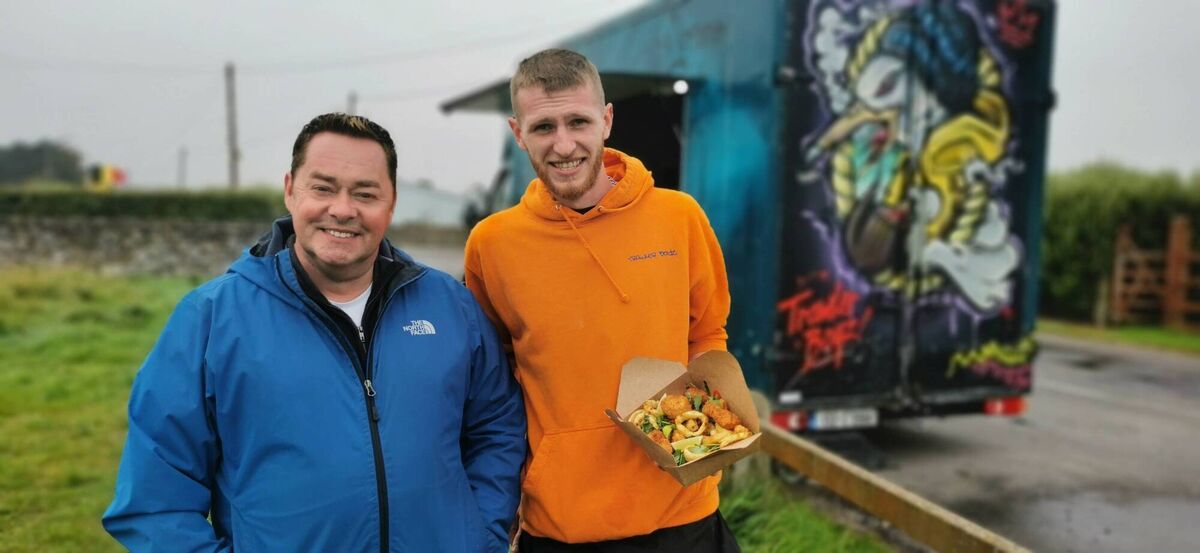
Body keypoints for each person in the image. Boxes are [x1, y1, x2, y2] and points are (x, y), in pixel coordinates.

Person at [102, 113, 526, 552]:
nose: (343, 209)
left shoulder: (451, 307)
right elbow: (156, 501)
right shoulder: (211, 320)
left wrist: (482, 537)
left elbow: (497, 427)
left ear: (392, 202)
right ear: (290, 190)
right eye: (323, 188)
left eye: (365, 193)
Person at [464, 49, 740, 551]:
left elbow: (708, 331)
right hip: (560, 525)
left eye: (578, 121)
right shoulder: (492, 244)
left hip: (683, 515)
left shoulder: (678, 216)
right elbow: (492, 379)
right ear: (517, 132)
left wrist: (700, 438)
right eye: (543, 127)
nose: (563, 144)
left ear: (607, 120)